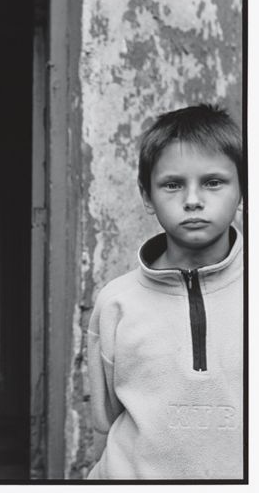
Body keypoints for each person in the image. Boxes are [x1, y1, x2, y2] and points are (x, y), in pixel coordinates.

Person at [87, 104, 243, 480]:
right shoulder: (117, 303)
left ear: (244, 190)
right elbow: (105, 420)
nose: (193, 199)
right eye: (172, 184)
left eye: (213, 182)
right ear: (147, 196)